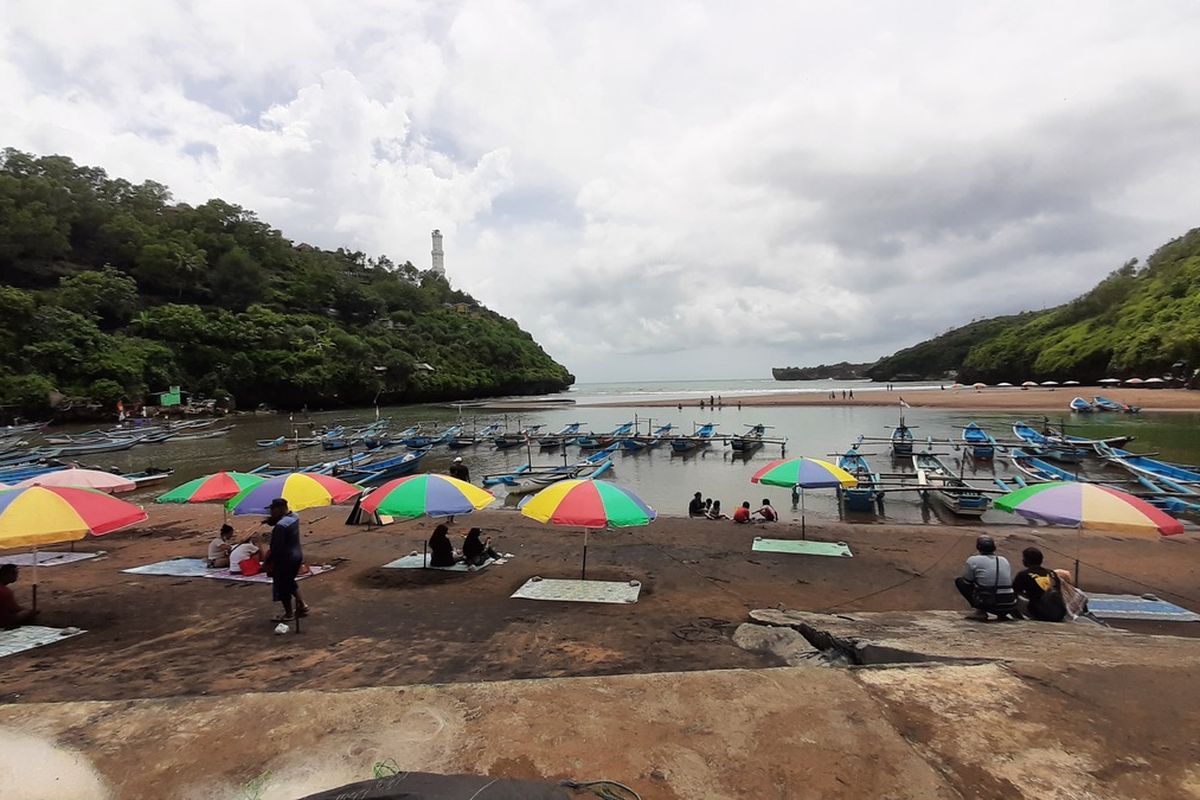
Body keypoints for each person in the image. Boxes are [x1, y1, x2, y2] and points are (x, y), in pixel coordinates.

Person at [266, 498, 308, 623]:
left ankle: (289, 614)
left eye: (273, 510)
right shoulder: (294, 517)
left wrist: (268, 562)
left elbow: (276, 549)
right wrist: (271, 521)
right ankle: (302, 605)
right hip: (297, 555)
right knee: (290, 582)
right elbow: (282, 520)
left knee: (282, 586)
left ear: (279, 509)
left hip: (285, 559)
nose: (271, 513)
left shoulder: (280, 527)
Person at [955, 535, 1016, 620]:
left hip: (989, 603)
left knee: (960, 581)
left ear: (978, 547)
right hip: (1009, 603)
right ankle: (1002, 615)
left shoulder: (973, 560)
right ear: (994, 548)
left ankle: (980, 611)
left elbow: (967, 581)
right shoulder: (1003, 559)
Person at [1012, 547, 1068, 622]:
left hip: (1040, 613)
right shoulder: (1052, 573)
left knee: (1014, 595)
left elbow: (1014, 591)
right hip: (1059, 613)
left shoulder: (1023, 574)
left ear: (1026, 560)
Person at [0, 564, 38, 629]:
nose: (17, 576)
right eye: (15, 574)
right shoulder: (5, 591)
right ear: (8, 574)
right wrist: (29, 611)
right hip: (3, 622)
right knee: (27, 613)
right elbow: (14, 608)